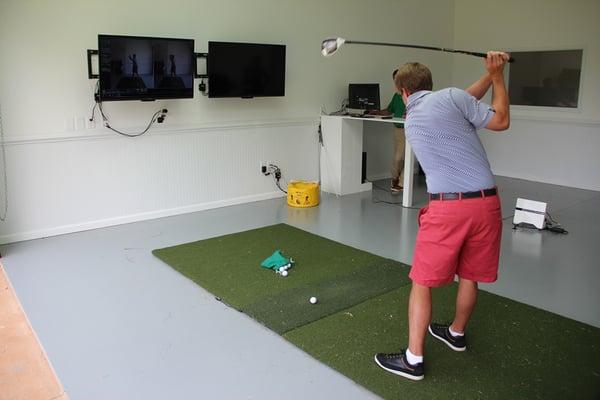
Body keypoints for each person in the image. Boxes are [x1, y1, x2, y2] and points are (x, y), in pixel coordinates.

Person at [374, 51, 511, 381]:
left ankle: (413, 359)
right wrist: (495, 74)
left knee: (422, 282)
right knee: (470, 273)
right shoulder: (449, 99)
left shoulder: (413, 118)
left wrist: (493, 75)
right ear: (430, 86)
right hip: (487, 204)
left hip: (448, 209)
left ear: (404, 92)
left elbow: (500, 121)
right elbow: (466, 99)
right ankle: (456, 333)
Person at [373, 69, 407, 193]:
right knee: (398, 157)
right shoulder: (396, 96)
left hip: (409, 129)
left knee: (403, 157)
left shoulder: (410, 95)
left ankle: (401, 182)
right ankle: (396, 179)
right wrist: (375, 112)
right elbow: (389, 110)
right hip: (398, 129)